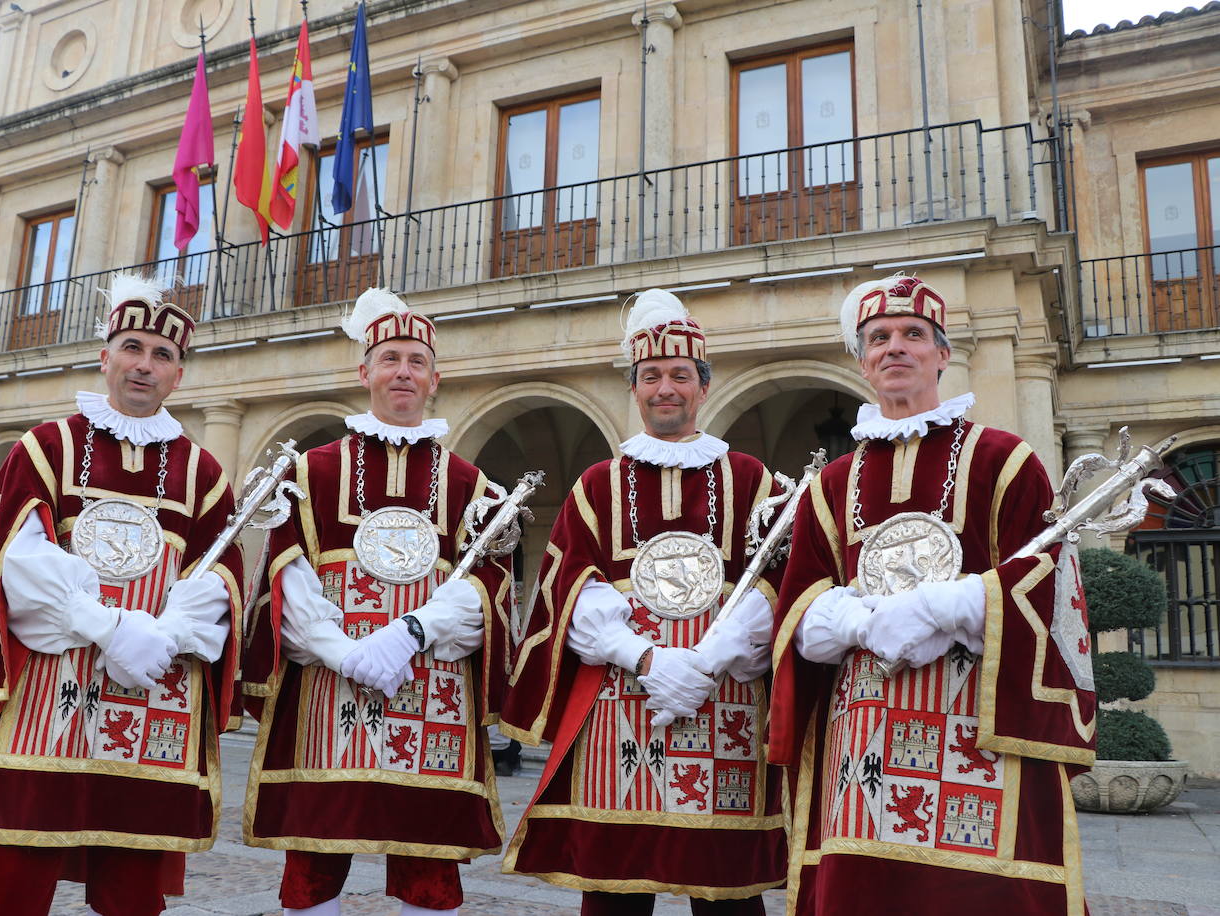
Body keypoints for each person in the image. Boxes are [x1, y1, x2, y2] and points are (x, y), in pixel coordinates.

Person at [0, 274, 245, 916]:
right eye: (132, 347)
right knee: (14, 866)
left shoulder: (203, 471)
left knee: (131, 885)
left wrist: (164, 637)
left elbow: (215, 575)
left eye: (163, 355)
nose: (144, 365)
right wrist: (109, 627)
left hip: (155, 694)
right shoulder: (47, 446)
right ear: (105, 355)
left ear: (179, 375)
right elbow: (22, 559)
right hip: (46, 689)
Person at [768, 274, 1096, 915]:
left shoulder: (1006, 460)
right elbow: (798, 610)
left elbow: (1047, 580)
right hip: (861, 739)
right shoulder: (831, 484)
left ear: (942, 354)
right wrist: (861, 625)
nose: (896, 348)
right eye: (879, 338)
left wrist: (932, 608)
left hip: (976, 729)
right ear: (862, 360)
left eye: (913, 335)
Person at [500, 289, 790, 914]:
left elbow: (776, 588)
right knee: (616, 890)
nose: (666, 388)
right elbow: (571, 589)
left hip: (726, 704)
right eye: (651, 375)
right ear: (634, 387)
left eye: (680, 375)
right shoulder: (597, 485)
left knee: (729, 895)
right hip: (624, 702)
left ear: (703, 387)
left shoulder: (753, 479)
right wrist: (650, 661)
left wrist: (704, 664)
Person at [240, 288, 514, 916]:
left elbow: (485, 597)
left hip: (432, 696)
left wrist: (406, 635)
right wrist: (344, 652)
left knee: (429, 869)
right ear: (363, 372)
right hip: (327, 693)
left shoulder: (474, 485)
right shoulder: (310, 472)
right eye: (390, 358)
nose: (403, 372)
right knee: (314, 858)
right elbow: (287, 577)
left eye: (417, 361)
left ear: (436, 378)